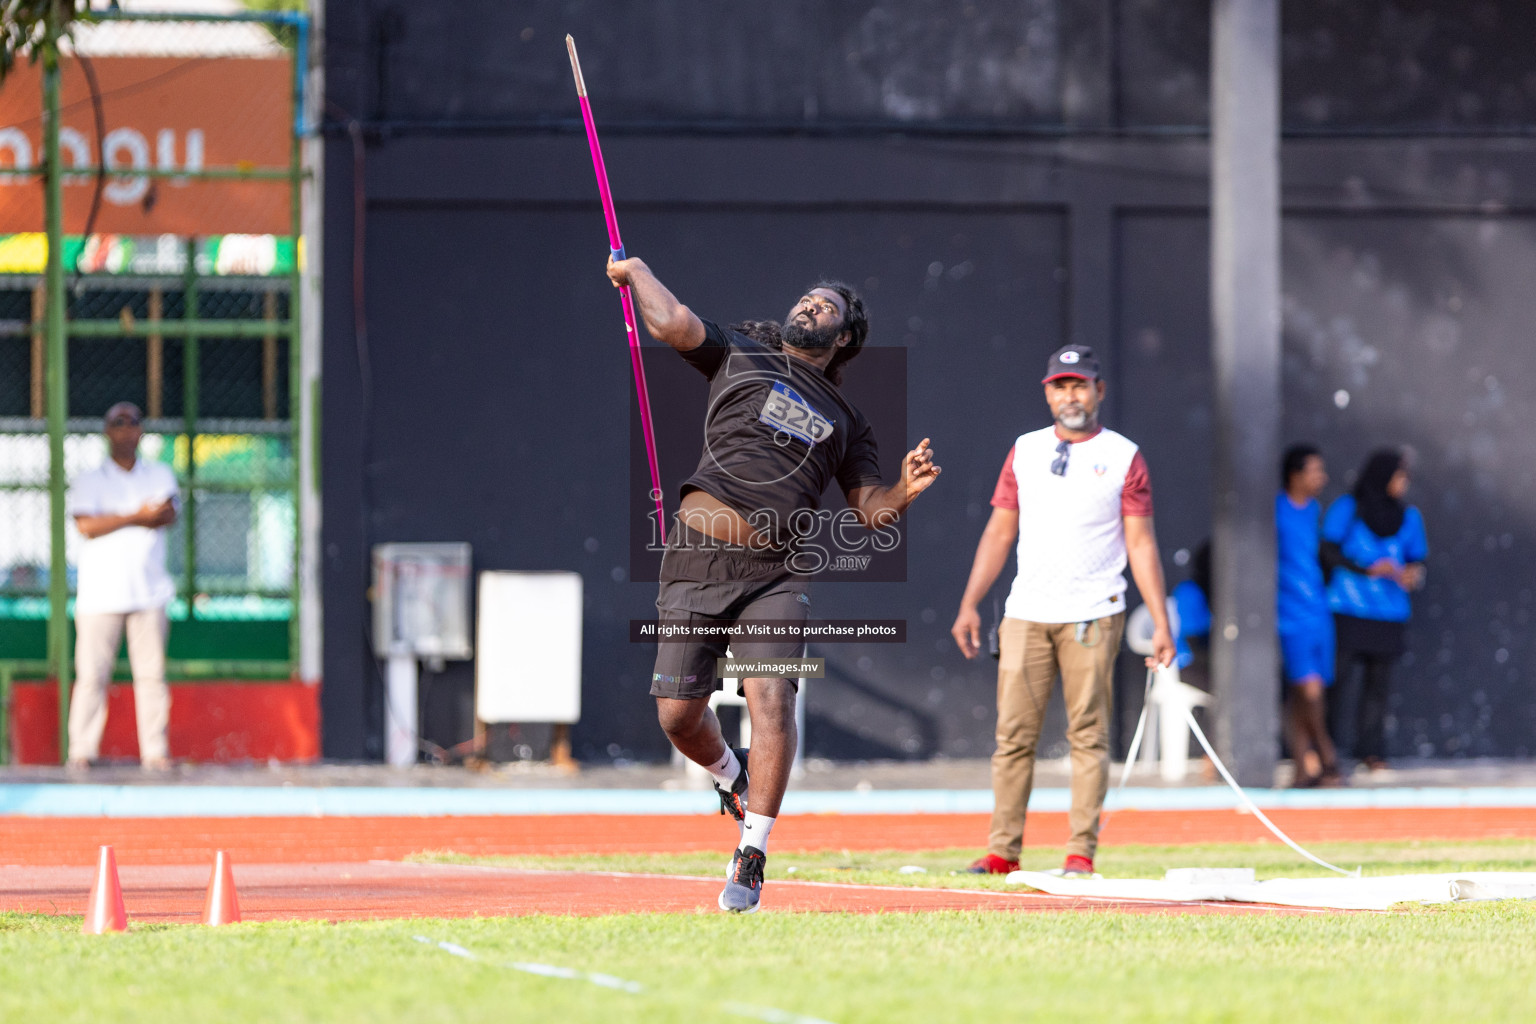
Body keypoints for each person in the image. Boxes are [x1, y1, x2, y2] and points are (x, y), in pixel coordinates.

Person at [605, 254, 941, 913]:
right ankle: (732, 777)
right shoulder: (741, 351)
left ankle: (752, 851)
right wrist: (637, 271)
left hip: (776, 574)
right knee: (677, 716)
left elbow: (870, 513)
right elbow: (672, 323)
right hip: (695, 559)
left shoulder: (848, 420)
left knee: (772, 699)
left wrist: (904, 489)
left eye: (827, 307)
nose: (811, 306)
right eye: (808, 298)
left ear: (843, 337)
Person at [951, 346, 1175, 878]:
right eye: (1060, 385)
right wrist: (969, 602)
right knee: (1012, 737)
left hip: (1094, 612)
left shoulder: (1124, 455)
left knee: (1089, 736)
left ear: (1100, 390)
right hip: (1027, 610)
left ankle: (1081, 853)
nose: (1070, 395)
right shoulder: (1025, 450)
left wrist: (1161, 620)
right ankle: (1002, 852)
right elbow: (1000, 530)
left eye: (1080, 385)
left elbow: (1141, 544)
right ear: (1047, 392)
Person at [65, 402, 180, 770]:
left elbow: (167, 515)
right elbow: (87, 526)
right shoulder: (89, 479)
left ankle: (155, 753)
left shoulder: (159, 474)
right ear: (106, 431)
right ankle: (81, 752)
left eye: (133, 422)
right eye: (118, 422)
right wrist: (137, 516)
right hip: (99, 596)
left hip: (149, 593)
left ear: (142, 431)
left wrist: (119, 518)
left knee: (151, 677)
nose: (126, 429)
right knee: (90, 677)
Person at [1323, 449, 1427, 773]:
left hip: (1390, 613)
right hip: (1347, 608)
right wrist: (1367, 569)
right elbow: (1327, 550)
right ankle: (1326, 751)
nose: (1403, 483)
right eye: (1398, 476)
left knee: (1378, 688)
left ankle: (1370, 751)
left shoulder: (1409, 517)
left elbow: (1417, 559)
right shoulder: (1348, 508)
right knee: (1335, 683)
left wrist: (1412, 574)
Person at [1277, 444, 1341, 787]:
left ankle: (1303, 766)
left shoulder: (1315, 510)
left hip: (1318, 611)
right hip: (1290, 614)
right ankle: (1327, 755)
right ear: (1295, 475)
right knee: (1309, 690)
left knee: (1305, 695)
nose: (1322, 478)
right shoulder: (1275, 509)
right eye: (1315, 470)